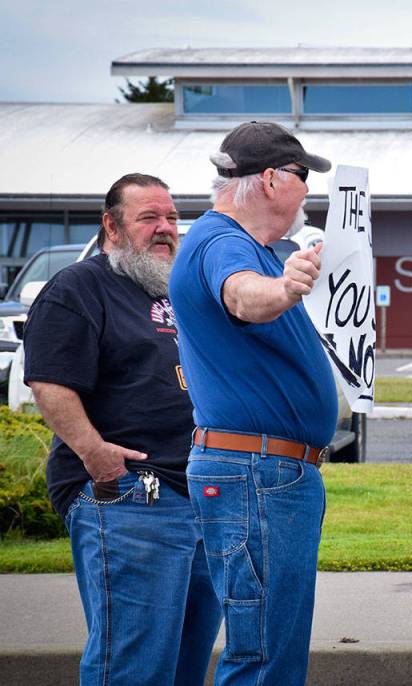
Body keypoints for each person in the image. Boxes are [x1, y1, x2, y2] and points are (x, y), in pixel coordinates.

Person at [23, 173, 221, 684]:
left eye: (173, 218)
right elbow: (49, 381)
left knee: (184, 666)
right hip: (130, 494)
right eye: (149, 218)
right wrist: (95, 455)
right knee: (133, 668)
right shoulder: (79, 288)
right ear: (111, 227)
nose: (165, 229)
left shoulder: (178, 291)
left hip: (198, 493)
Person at [168, 121, 337, 686]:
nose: (307, 188)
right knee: (264, 655)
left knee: (269, 648)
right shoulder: (225, 242)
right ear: (269, 179)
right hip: (257, 472)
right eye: (301, 175)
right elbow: (242, 296)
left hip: (260, 471)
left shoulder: (246, 245)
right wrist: (285, 288)